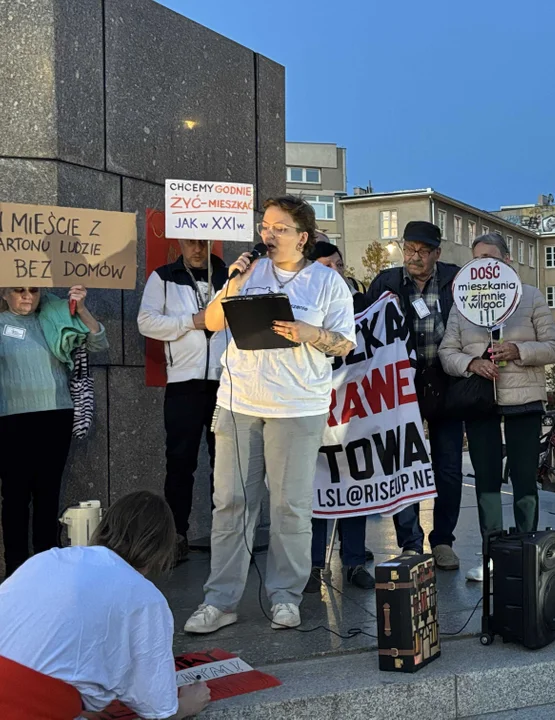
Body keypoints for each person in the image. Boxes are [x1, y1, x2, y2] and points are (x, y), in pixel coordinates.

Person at [184, 196, 356, 634]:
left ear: (303, 237)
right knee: (231, 504)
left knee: (290, 507)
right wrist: (234, 282)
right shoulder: (246, 272)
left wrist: (309, 333)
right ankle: (220, 601)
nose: (268, 234)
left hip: (298, 407)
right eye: (265, 226)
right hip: (239, 402)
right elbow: (210, 321)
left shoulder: (326, 282)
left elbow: (345, 344)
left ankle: (286, 596)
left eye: (280, 228)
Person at [0, 491, 210, 720]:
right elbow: (159, 709)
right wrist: (190, 704)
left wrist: (70, 704)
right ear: (161, 551)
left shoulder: (50, 559)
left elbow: (39, 652)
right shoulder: (144, 597)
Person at [439, 233, 555, 581]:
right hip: (481, 403)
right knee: (486, 482)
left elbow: (554, 347)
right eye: (478, 260)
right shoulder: (462, 305)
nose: (485, 266)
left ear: (507, 261)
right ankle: (491, 552)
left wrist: (519, 351)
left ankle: (526, 550)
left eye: (491, 258)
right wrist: (472, 363)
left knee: (525, 480)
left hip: (523, 402)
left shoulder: (532, 296)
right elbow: (447, 353)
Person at [366, 221, 465, 571]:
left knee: (449, 467)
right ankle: (410, 542)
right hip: (401, 384)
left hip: (447, 379)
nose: (415, 257)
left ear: (437, 253)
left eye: (423, 251)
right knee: (401, 464)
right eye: (409, 249)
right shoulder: (386, 282)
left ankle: (443, 541)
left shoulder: (455, 280)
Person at [0, 285, 108, 579]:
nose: (27, 296)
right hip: (12, 418)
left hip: (56, 414)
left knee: (48, 493)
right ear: (4, 294)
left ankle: (47, 566)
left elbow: (99, 342)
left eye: (33, 290)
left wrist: (81, 307)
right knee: (15, 496)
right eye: (19, 290)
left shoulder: (54, 315)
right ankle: (17, 570)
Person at [138, 239, 228, 563]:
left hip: (224, 383)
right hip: (183, 383)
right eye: (190, 243)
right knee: (180, 462)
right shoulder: (163, 277)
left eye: (202, 243)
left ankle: (226, 537)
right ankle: (176, 537)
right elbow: (145, 322)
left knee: (225, 465)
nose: (197, 249)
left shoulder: (229, 277)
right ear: (179, 242)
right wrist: (191, 321)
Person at [304, 240, 375, 592]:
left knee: (353, 482)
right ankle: (315, 566)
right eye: (327, 266)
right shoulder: (305, 304)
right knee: (318, 485)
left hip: (353, 406)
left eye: (339, 265)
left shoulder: (361, 303)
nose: (336, 272)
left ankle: (354, 561)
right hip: (315, 404)